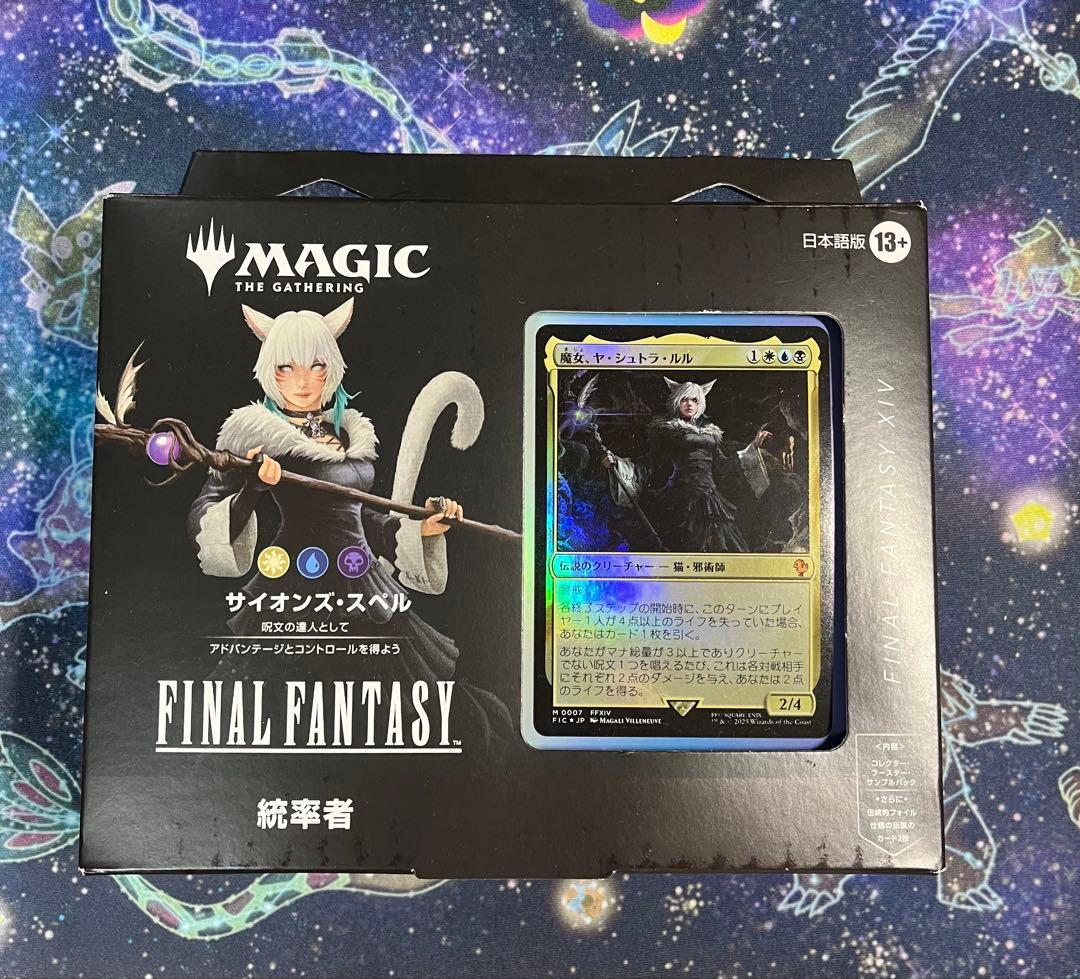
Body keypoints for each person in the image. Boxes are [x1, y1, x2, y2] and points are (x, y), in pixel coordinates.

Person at [187, 299, 511, 746]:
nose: (303, 382)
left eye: (316, 366)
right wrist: (254, 489)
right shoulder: (251, 433)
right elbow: (207, 510)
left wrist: (420, 529)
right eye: (286, 368)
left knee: (402, 712)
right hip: (297, 585)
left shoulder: (347, 432)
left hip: (364, 583)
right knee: (289, 712)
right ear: (268, 370)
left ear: (332, 367)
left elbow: (361, 517)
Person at [601, 377, 771, 552]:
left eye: (694, 400)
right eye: (684, 399)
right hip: (680, 497)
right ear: (677, 402)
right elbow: (651, 462)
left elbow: (723, 465)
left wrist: (752, 447)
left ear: (700, 404)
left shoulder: (711, 433)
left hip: (710, 499)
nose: (689, 404)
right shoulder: (667, 430)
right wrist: (617, 463)